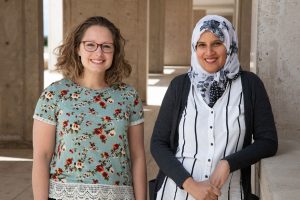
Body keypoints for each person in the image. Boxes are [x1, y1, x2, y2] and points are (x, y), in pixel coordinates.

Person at [150, 15, 278, 200]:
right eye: (201, 45)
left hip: (229, 193)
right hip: (177, 193)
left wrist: (228, 163)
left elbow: (268, 142)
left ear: (229, 45)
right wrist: (190, 185)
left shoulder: (250, 85)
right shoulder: (180, 86)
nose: (209, 52)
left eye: (217, 43)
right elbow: (158, 144)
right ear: (195, 48)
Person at [32, 16, 147, 200]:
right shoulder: (54, 95)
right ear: (77, 48)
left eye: (106, 46)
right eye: (90, 45)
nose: (98, 53)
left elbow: (138, 157)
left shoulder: (128, 96)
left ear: (114, 52)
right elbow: (41, 157)